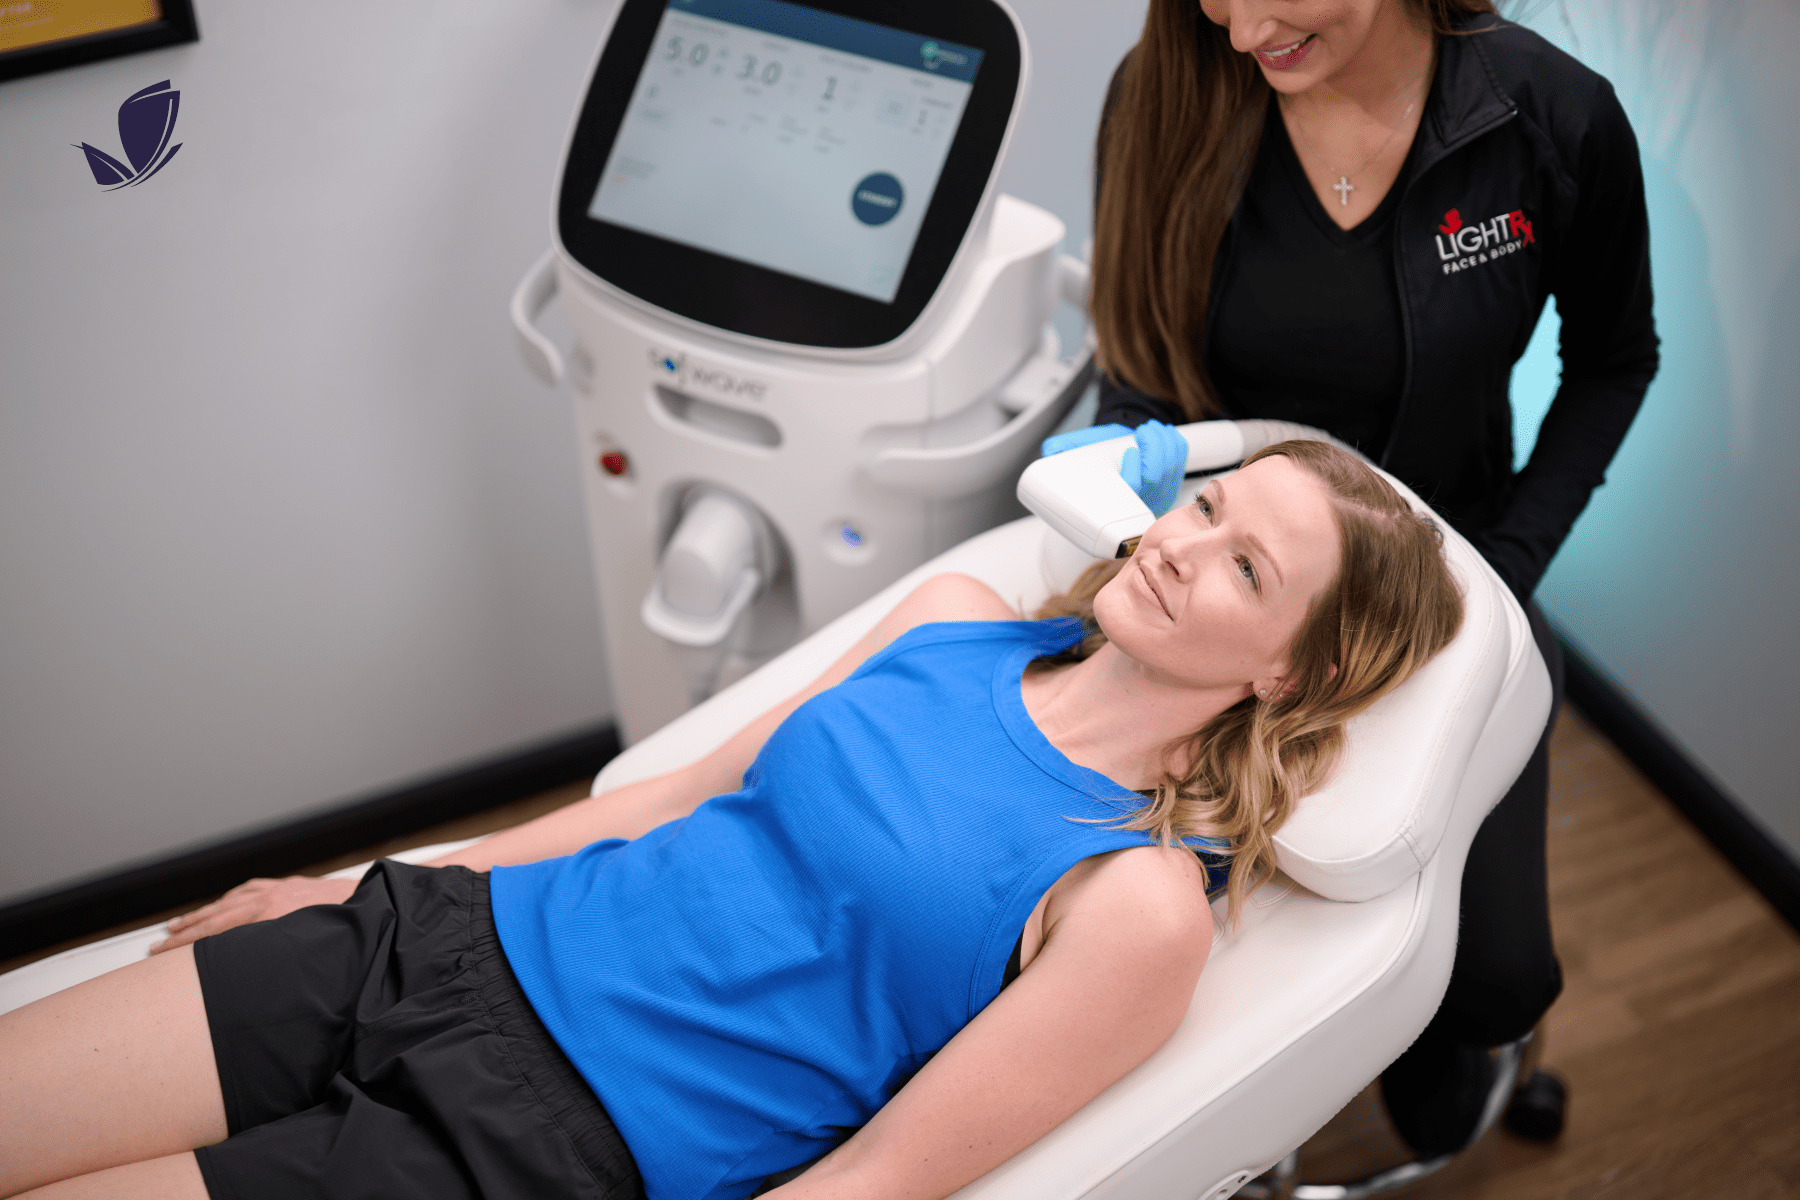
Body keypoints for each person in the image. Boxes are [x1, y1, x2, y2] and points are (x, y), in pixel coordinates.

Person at [0, 442, 1463, 1200]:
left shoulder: (1134, 900)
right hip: (437, 942)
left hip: (548, 1148)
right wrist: (347, 887)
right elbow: (663, 796)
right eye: (1206, 509)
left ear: (1291, 671)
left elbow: (883, 1177)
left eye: (1246, 569)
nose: (1180, 547)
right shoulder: (958, 625)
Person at [1066, 0, 1659, 1155]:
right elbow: (1137, 362)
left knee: (1494, 983)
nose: (1239, 32)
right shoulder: (1166, 89)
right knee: (1144, 966)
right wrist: (1121, 461)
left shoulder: (1552, 121)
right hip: (1228, 606)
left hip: (1451, 595)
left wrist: (1505, 573)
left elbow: (1613, 362)